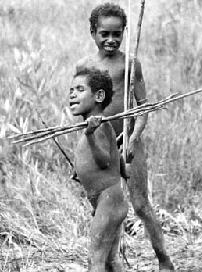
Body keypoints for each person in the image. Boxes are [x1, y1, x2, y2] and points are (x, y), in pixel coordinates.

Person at [76, 3, 174, 271]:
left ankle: (164, 258)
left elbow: (143, 108)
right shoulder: (84, 66)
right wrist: (88, 142)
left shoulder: (130, 64)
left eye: (116, 34)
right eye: (104, 33)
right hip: (101, 147)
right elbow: (78, 108)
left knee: (141, 204)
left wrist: (132, 138)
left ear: (124, 33)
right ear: (93, 33)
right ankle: (111, 262)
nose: (111, 40)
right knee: (105, 207)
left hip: (128, 142)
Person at [70, 67, 127, 272]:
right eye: (71, 90)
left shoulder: (98, 127)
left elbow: (103, 160)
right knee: (110, 260)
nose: (72, 94)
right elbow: (115, 159)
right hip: (109, 200)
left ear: (99, 95)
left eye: (79, 89)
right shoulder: (98, 126)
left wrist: (90, 135)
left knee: (96, 260)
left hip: (109, 201)